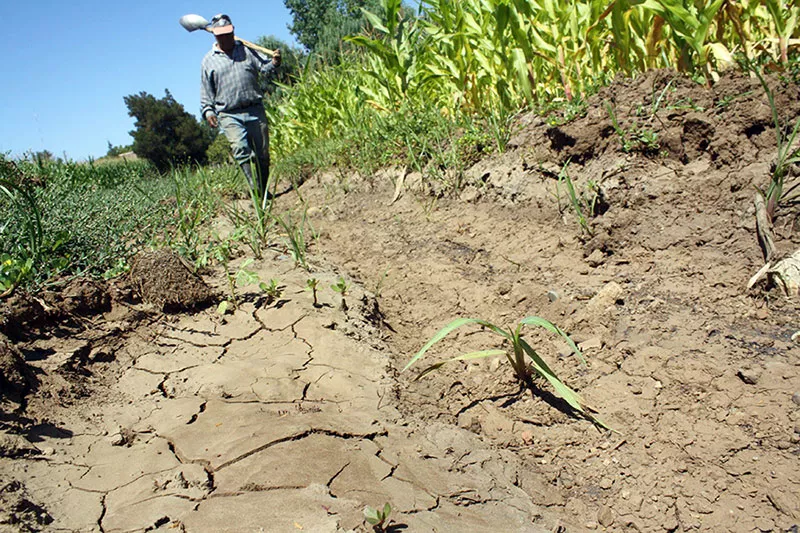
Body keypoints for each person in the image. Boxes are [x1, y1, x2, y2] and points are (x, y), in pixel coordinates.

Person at [200, 14, 281, 206]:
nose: (225, 38)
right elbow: (206, 90)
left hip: (255, 109)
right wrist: (208, 111)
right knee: (241, 149)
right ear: (215, 36)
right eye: (221, 35)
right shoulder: (208, 61)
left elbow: (265, 68)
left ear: (233, 31)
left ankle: (263, 190)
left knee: (262, 155)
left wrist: (275, 63)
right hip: (229, 113)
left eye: (228, 34)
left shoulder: (247, 51)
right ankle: (255, 190)